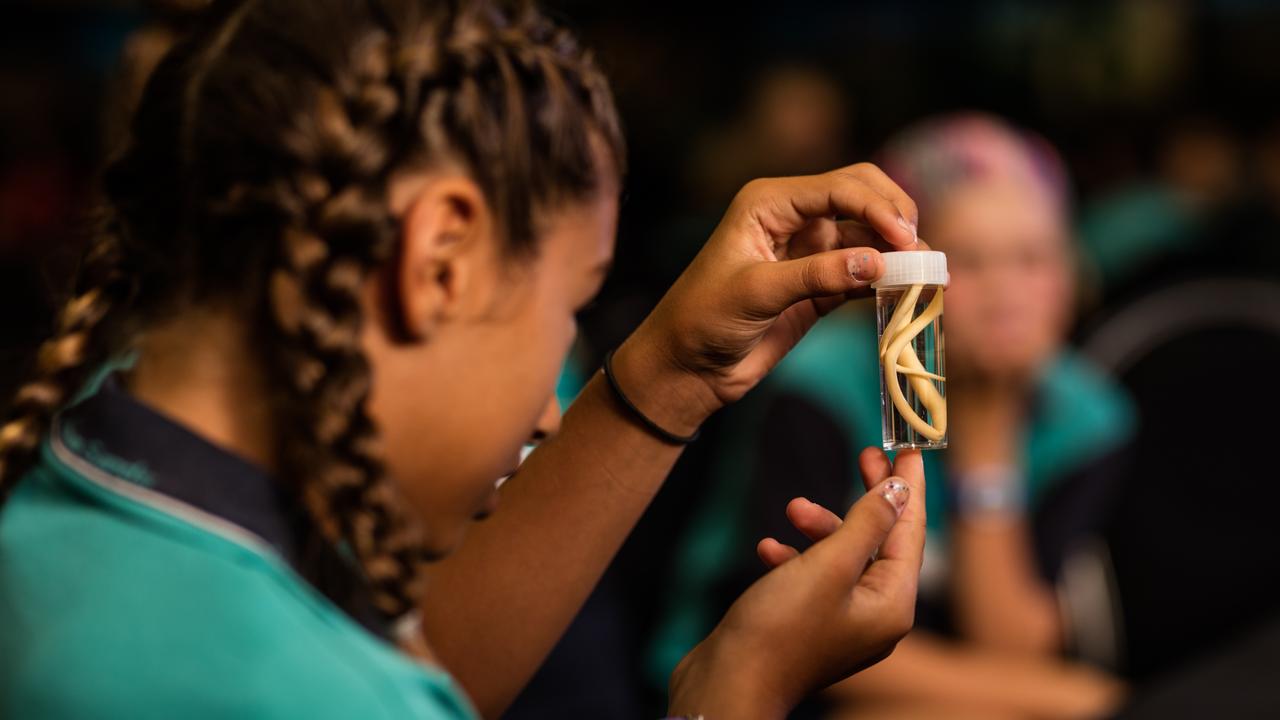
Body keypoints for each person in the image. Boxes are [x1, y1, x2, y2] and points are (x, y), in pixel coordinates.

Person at [0, 1, 929, 718]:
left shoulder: (92, 478)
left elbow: (425, 667)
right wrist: (738, 688)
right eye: (565, 309)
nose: (548, 416)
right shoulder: (282, 687)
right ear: (439, 259)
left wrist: (672, 378)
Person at [649, 114, 1132, 719]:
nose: (1007, 292)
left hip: (952, 680)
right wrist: (1059, 696)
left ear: (1071, 276)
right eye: (973, 264)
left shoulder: (1088, 416)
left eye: (1032, 259)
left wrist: (987, 431)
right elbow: (789, 639)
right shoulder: (819, 382)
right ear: (904, 282)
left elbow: (1010, 644)